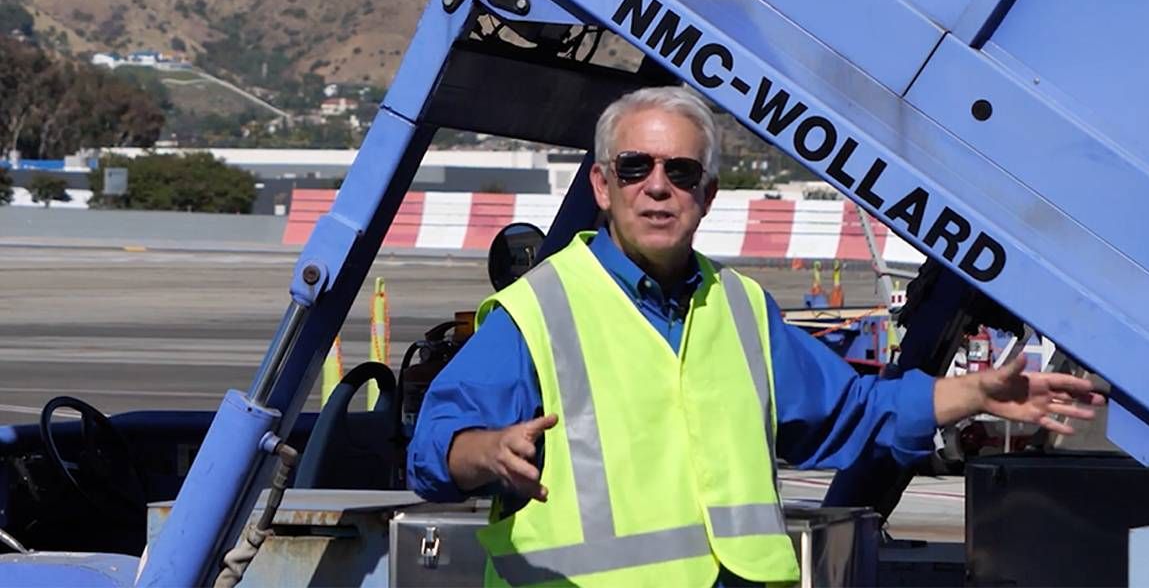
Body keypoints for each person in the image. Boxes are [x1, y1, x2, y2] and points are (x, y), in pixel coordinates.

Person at [407, 86, 1102, 587]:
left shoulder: (741, 307)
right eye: (635, 168)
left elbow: (855, 412)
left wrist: (974, 391)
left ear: (707, 194)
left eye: (680, 172)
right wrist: (490, 452)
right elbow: (436, 449)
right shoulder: (539, 309)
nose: (657, 188)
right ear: (601, 185)